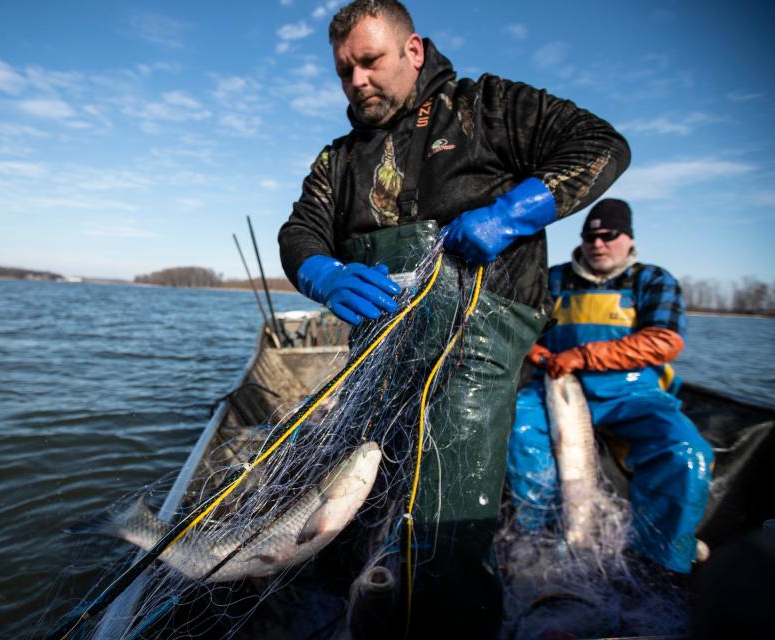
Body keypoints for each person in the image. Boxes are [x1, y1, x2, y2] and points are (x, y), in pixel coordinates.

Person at [277, 1, 630, 635]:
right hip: (379, 355)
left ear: (413, 50)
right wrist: (322, 274)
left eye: (369, 61)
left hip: (474, 347)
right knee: (364, 505)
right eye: (342, 71)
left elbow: (601, 145)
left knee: (442, 527)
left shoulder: (485, 107)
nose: (356, 80)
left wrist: (515, 212)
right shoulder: (338, 160)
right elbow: (300, 231)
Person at [507, 198, 714, 576]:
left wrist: (584, 356)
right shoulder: (551, 278)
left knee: (686, 452)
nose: (597, 244)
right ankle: (539, 534)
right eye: (590, 236)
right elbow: (519, 328)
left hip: (632, 394)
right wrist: (535, 351)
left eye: (608, 236)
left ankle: (659, 560)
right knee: (517, 430)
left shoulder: (652, 279)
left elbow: (664, 341)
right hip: (555, 387)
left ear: (629, 238)